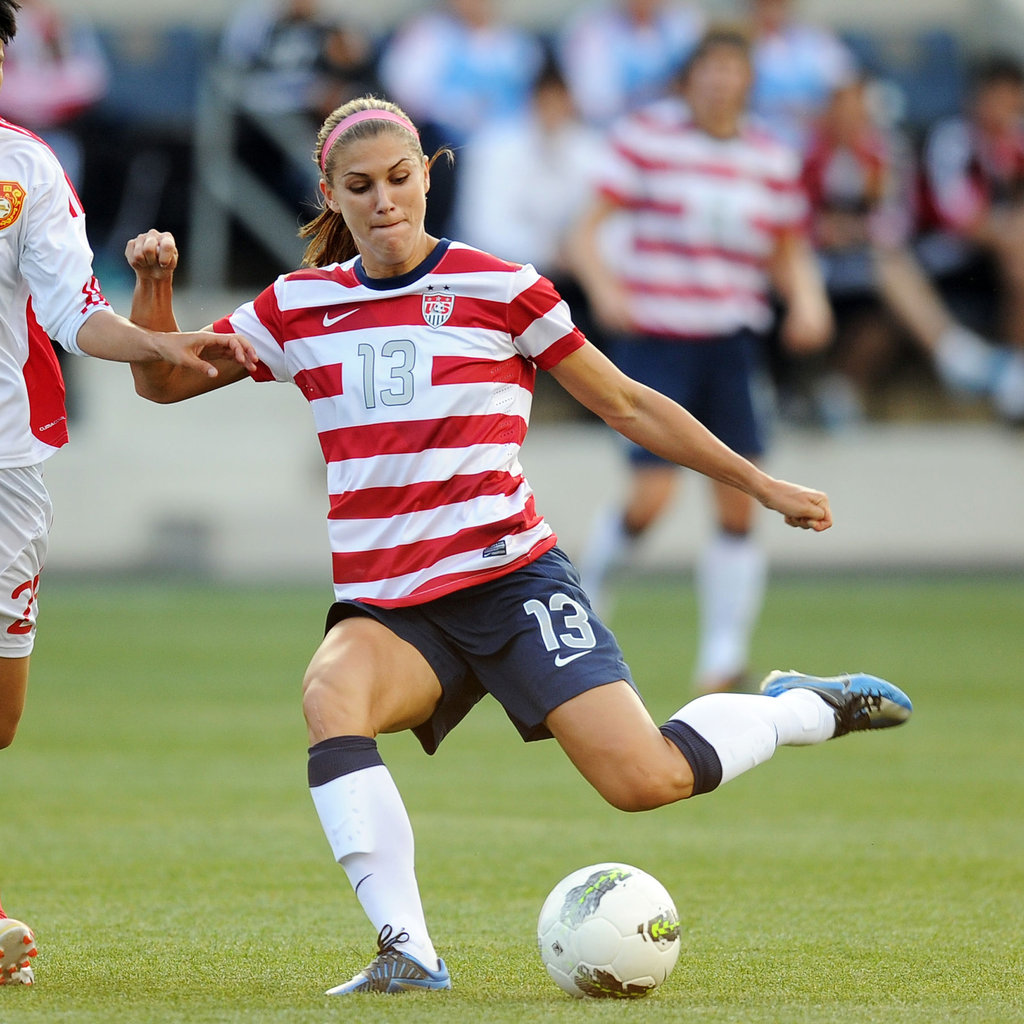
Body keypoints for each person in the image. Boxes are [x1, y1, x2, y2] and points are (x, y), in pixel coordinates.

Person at [123, 94, 912, 997]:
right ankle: (407, 951)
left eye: (399, 177)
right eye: (360, 186)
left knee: (644, 780)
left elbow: (628, 404)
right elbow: (162, 383)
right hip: (392, 606)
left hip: (510, 582)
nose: (384, 200)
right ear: (330, 195)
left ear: (427, 174)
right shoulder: (299, 306)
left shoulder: (503, 288)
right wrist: (154, 284)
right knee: (330, 694)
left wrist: (760, 484)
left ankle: (793, 708)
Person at [0, 0, 257, 986]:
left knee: (3, 718)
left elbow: (76, 311)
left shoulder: (24, 170)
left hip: (10, 467)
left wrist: (156, 342)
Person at [570, 26, 833, 694]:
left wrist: (807, 300)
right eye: (709, 69)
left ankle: (723, 658)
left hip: (730, 340)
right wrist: (604, 287)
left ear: (748, 81)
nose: (720, 82)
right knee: (651, 498)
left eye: (732, 70)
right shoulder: (648, 137)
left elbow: (785, 245)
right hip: (659, 337)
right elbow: (586, 230)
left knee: (739, 500)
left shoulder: (769, 155)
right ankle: (587, 601)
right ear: (689, 80)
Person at [802, 77, 1024, 423]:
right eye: (843, 107)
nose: (851, 117)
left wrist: (854, 230)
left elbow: (896, 222)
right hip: (817, 263)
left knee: (887, 305)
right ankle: (959, 356)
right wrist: (827, 231)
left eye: (859, 109)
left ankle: (841, 389)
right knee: (890, 269)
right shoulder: (808, 154)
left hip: (870, 260)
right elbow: (793, 219)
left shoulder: (882, 153)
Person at [917, 54, 1024, 421]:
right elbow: (958, 217)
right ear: (978, 98)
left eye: (1013, 101)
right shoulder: (952, 139)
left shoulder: (1016, 140)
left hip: (1002, 252)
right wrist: (1009, 230)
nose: (1006, 110)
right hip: (947, 251)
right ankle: (1013, 373)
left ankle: (1014, 372)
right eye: (999, 99)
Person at [556, 0, 704, 128]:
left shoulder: (685, 24)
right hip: (612, 133)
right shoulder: (592, 31)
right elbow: (595, 103)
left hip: (676, 131)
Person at [745, 0, 858, 154]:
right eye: (765, 4)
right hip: (755, 150)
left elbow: (848, 90)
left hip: (812, 150)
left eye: (777, 4)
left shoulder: (817, 43)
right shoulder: (740, 45)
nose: (771, 10)